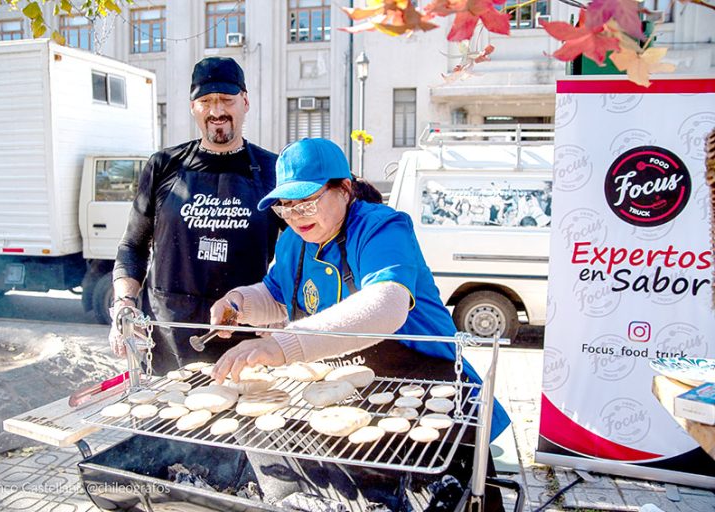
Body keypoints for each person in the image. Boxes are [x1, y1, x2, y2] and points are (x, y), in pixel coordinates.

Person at [209, 138, 511, 510]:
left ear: (345, 189)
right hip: (355, 394)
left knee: (451, 497)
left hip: (429, 388)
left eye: (306, 201)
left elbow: (386, 305)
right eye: (285, 206)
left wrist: (283, 345)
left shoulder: (381, 227)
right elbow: (273, 295)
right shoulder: (293, 241)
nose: (296, 215)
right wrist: (238, 303)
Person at [108, 57, 281, 373]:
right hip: (167, 335)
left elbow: (304, 250)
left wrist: (283, 310)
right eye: (206, 102)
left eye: (227, 100)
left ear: (245, 102)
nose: (216, 111)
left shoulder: (273, 169)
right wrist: (124, 304)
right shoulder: (163, 166)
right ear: (193, 107)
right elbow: (132, 247)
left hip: (244, 336)